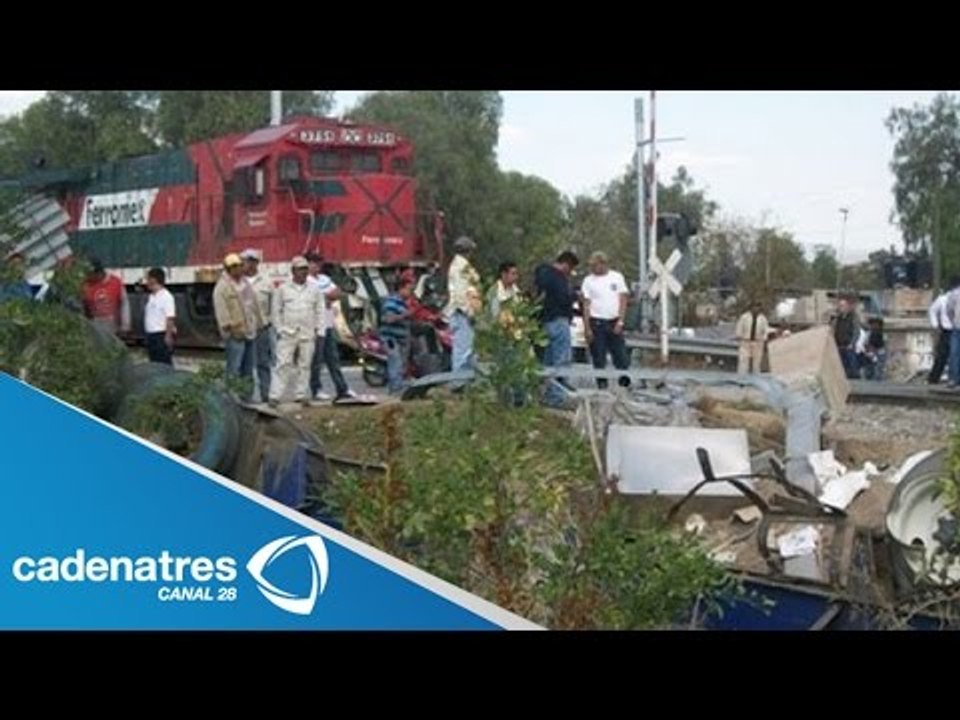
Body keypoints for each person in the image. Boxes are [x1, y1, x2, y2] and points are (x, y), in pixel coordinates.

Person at [270, 256, 324, 407]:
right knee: (282, 364)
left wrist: (320, 331)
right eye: (300, 269)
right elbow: (276, 311)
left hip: (307, 332)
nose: (303, 272)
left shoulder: (315, 290)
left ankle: (300, 395)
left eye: (305, 269)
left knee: (305, 365)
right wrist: (280, 329)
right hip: (288, 332)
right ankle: (275, 395)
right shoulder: (282, 289)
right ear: (293, 271)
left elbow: (319, 311)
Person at [306, 255, 357, 403]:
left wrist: (325, 297)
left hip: (328, 323)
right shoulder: (306, 281)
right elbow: (314, 298)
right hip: (315, 324)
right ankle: (316, 389)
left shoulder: (324, 278)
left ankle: (342, 388)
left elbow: (338, 293)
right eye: (312, 264)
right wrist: (326, 297)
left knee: (333, 358)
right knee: (316, 359)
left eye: (317, 264)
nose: (316, 267)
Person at [213, 253, 263, 396]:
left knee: (248, 369)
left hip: (249, 332)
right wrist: (229, 328)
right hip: (235, 334)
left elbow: (254, 305)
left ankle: (247, 397)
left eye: (241, 265)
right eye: (237, 266)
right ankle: (233, 399)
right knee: (234, 368)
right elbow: (221, 311)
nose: (241, 269)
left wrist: (260, 323)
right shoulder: (222, 287)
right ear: (229, 269)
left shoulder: (245, 283)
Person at [535, 250, 579, 407]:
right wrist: (574, 295)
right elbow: (563, 298)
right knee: (561, 359)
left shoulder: (543, 274)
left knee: (548, 360)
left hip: (545, 322)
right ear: (566, 264)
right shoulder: (559, 278)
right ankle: (556, 397)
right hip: (559, 321)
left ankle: (546, 393)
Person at [580, 251, 631, 389]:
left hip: (613, 320)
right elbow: (586, 304)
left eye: (595, 265)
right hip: (596, 322)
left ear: (603, 264)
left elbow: (623, 299)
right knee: (598, 356)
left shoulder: (617, 277)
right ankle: (602, 385)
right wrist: (587, 328)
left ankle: (624, 383)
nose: (593, 268)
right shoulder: (588, 281)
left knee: (620, 355)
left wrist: (621, 320)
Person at [443, 236, 482, 385]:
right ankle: (459, 383)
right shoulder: (460, 268)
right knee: (463, 350)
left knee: (468, 350)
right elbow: (461, 294)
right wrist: (469, 312)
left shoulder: (461, 266)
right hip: (462, 314)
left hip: (464, 312)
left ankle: (464, 381)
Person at [241, 248, 275, 403]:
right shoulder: (236, 282)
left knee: (263, 362)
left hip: (262, 328)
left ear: (256, 263)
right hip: (243, 329)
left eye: (250, 261)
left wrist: (271, 323)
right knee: (245, 364)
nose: (247, 264)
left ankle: (266, 393)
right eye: (245, 261)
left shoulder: (266, 282)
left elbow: (274, 305)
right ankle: (246, 395)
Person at [380, 279, 413, 395]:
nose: (410, 292)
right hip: (391, 338)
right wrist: (405, 315)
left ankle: (399, 385)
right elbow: (388, 318)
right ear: (401, 288)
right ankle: (395, 388)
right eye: (409, 289)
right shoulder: (392, 302)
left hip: (401, 338)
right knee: (395, 361)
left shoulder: (403, 302)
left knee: (401, 363)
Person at [82, 257, 131, 336]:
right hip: (94, 327)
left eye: (90, 274)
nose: (88, 276)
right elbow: (83, 306)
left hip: (112, 327)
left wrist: (125, 325)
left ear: (99, 273)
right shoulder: (86, 284)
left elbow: (124, 304)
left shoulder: (115, 282)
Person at [143, 268, 177, 365]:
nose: (147, 282)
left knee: (164, 363)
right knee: (154, 363)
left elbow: (170, 317)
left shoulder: (166, 297)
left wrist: (168, 336)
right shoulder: (151, 297)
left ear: (154, 280)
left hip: (161, 335)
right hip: (151, 336)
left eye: (148, 279)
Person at [928, 277, 958, 385]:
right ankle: (934, 378)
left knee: (949, 356)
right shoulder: (943, 299)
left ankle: (941, 378)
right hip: (948, 330)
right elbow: (932, 310)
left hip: (951, 328)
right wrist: (936, 325)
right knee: (943, 356)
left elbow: (932, 310)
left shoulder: (943, 298)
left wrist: (935, 325)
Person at [735, 300, 769, 375]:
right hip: (745, 342)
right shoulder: (744, 317)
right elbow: (739, 328)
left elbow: (766, 330)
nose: (756, 308)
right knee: (743, 361)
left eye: (757, 307)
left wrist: (764, 339)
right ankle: (742, 379)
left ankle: (756, 378)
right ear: (751, 308)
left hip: (758, 342)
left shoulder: (762, 318)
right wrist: (739, 337)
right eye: (754, 307)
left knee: (756, 363)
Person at [832, 294, 861, 380]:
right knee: (842, 367)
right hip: (839, 346)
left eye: (842, 306)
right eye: (840, 306)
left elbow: (856, 331)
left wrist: (852, 343)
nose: (840, 308)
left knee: (852, 366)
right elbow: (834, 329)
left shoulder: (853, 317)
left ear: (847, 306)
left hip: (849, 346)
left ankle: (856, 381)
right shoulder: (838, 318)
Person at [860, 317, 887, 381]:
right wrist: (867, 350)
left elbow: (883, 345)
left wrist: (874, 350)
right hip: (869, 353)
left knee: (878, 369)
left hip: (879, 353)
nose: (874, 326)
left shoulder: (882, 334)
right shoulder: (868, 333)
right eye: (872, 324)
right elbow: (865, 343)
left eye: (876, 324)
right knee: (869, 369)